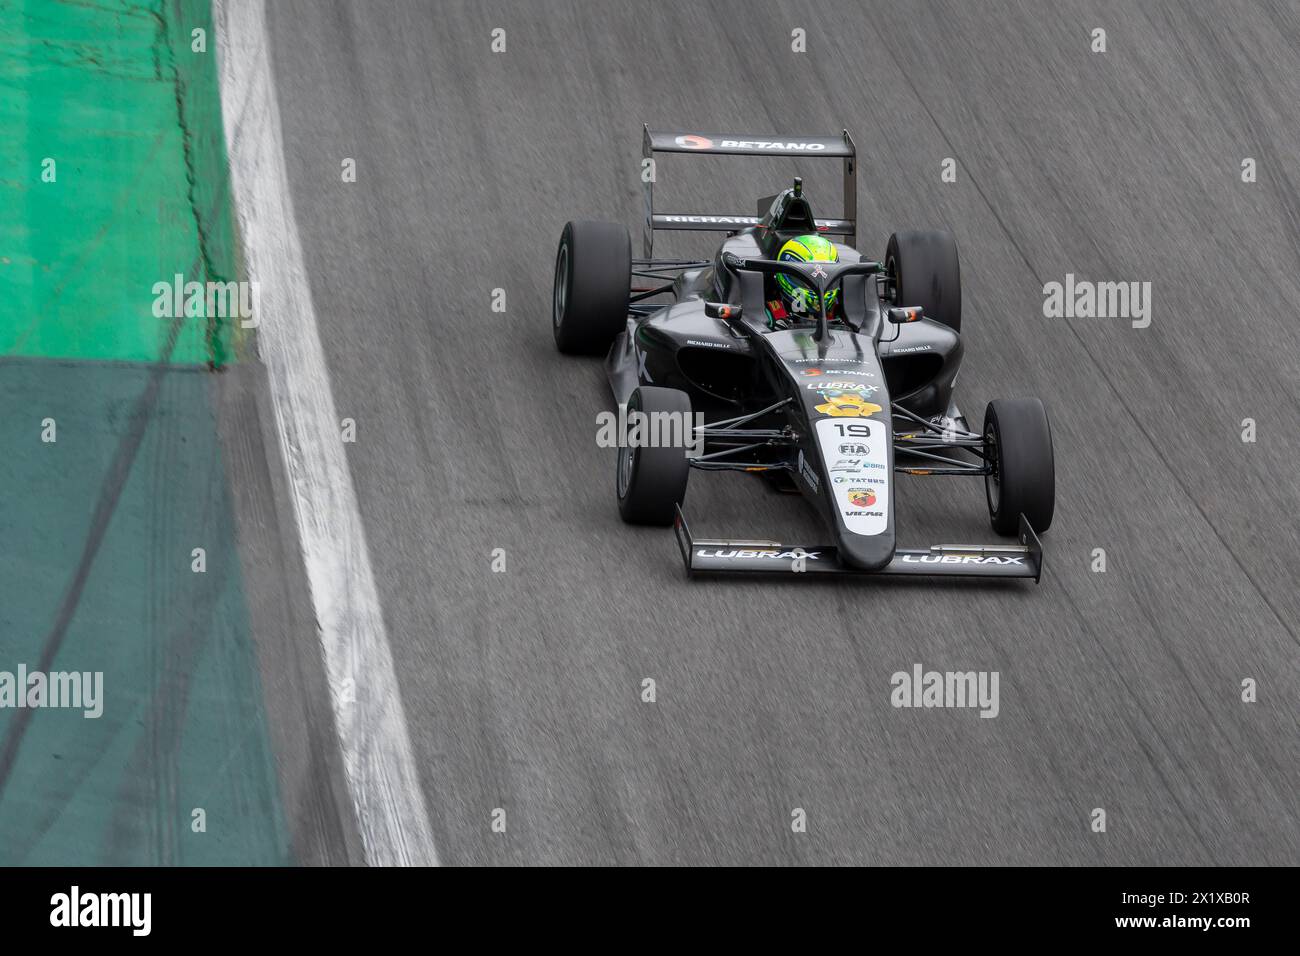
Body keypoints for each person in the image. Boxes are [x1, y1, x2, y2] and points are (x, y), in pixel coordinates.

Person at [766, 234, 841, 329]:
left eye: (824, 276)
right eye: (808, 278)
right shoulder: (771, 313)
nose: (818, 284)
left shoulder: (840, 312)